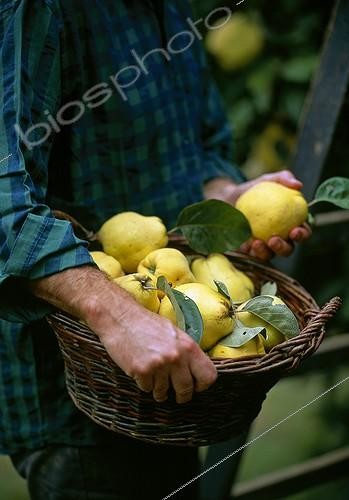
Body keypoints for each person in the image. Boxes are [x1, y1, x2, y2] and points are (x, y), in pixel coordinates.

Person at [0, 1, 310, 499]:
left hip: (178, 370)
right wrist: (121, 317)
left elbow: (202, 144)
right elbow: (3, 192)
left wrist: (226, 206)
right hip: (81, 398)